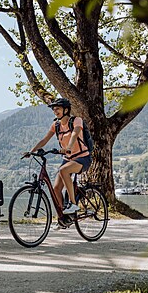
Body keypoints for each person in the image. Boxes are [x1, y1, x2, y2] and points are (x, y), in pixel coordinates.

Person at [24, 97, 92, 227]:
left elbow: (75, 134)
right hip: (68, 159)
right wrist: (31, 151)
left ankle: (73, 204)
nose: (55, 111)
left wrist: (68, 148)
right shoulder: (56, 125)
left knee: (63, 170)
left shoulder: (76, 120)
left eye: (58, 109)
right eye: (54, 109)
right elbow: (44, 140)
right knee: (55, 189)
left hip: (82, 158)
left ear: (66, 110)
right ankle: (63, 218)